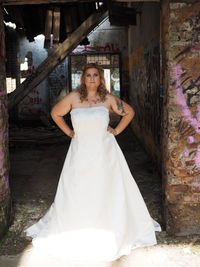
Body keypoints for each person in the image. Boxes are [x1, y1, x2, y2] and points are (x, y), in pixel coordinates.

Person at [24, 63, 161, 262]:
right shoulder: (73, 97)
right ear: (83, 78)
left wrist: (117, 130)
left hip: (105, 152)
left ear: (101, 78)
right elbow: (56, 113)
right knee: (78, 188)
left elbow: (129, 112)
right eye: (88, 75)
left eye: (95, 75)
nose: (91, 78)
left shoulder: (107, 99)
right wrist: (70, 132)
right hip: (80, 151)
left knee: (105, 187)